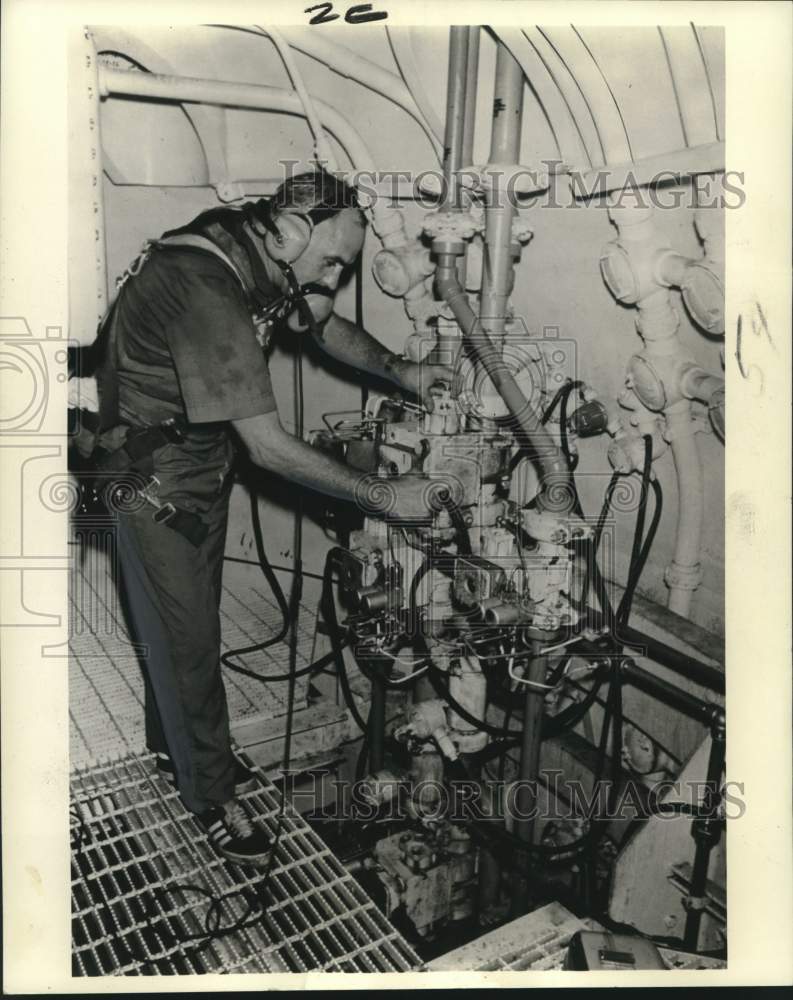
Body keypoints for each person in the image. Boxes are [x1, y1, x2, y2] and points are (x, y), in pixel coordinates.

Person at [90, 169, 451, 867]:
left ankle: (178, 752)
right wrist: (384, 496)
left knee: (185, 628)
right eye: (332, 260)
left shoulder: (258, 248)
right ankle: (211, 801)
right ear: (290, 230)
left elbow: (320, 325)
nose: (334, 276)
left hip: (198, 464)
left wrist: (403, 373)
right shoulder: (205, 286)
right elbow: (268, 446)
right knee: (188, 636)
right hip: (151, 480)